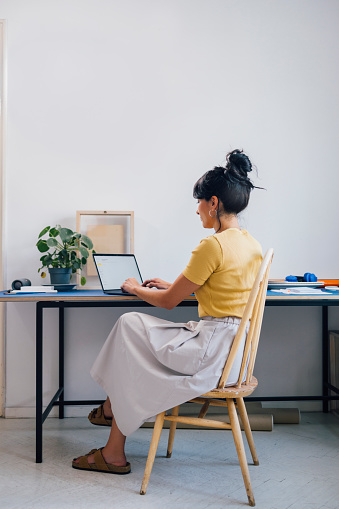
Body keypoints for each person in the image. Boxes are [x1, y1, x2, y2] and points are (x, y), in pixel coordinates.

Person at [72, 149, 263, 474]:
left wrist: (136, 288)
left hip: (210, 354)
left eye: (200, 202)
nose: (198, 210)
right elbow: (222, 286)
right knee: (132, 335)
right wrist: (167, 283)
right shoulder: (249, 243)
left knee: (129, 325)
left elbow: (168, 302)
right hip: (233, 355)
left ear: (213, 203)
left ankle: (111, 426)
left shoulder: (211, 245)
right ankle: (110, 425)